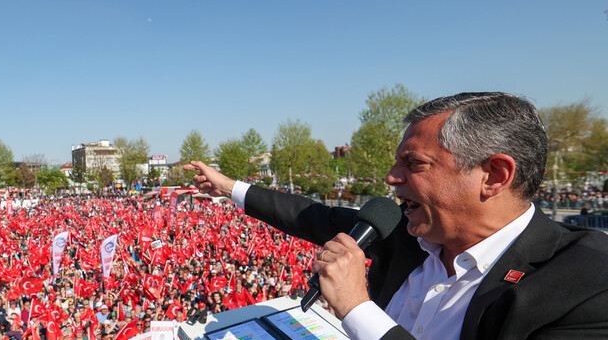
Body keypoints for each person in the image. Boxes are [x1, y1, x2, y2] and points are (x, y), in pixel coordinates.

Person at [185, 92, 608, 339]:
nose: (391, 178)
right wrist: (228, 187)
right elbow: (310, 215)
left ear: (494, 175)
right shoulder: (407, 234)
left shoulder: (586, 285)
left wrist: (356, 309)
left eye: (414, 164)